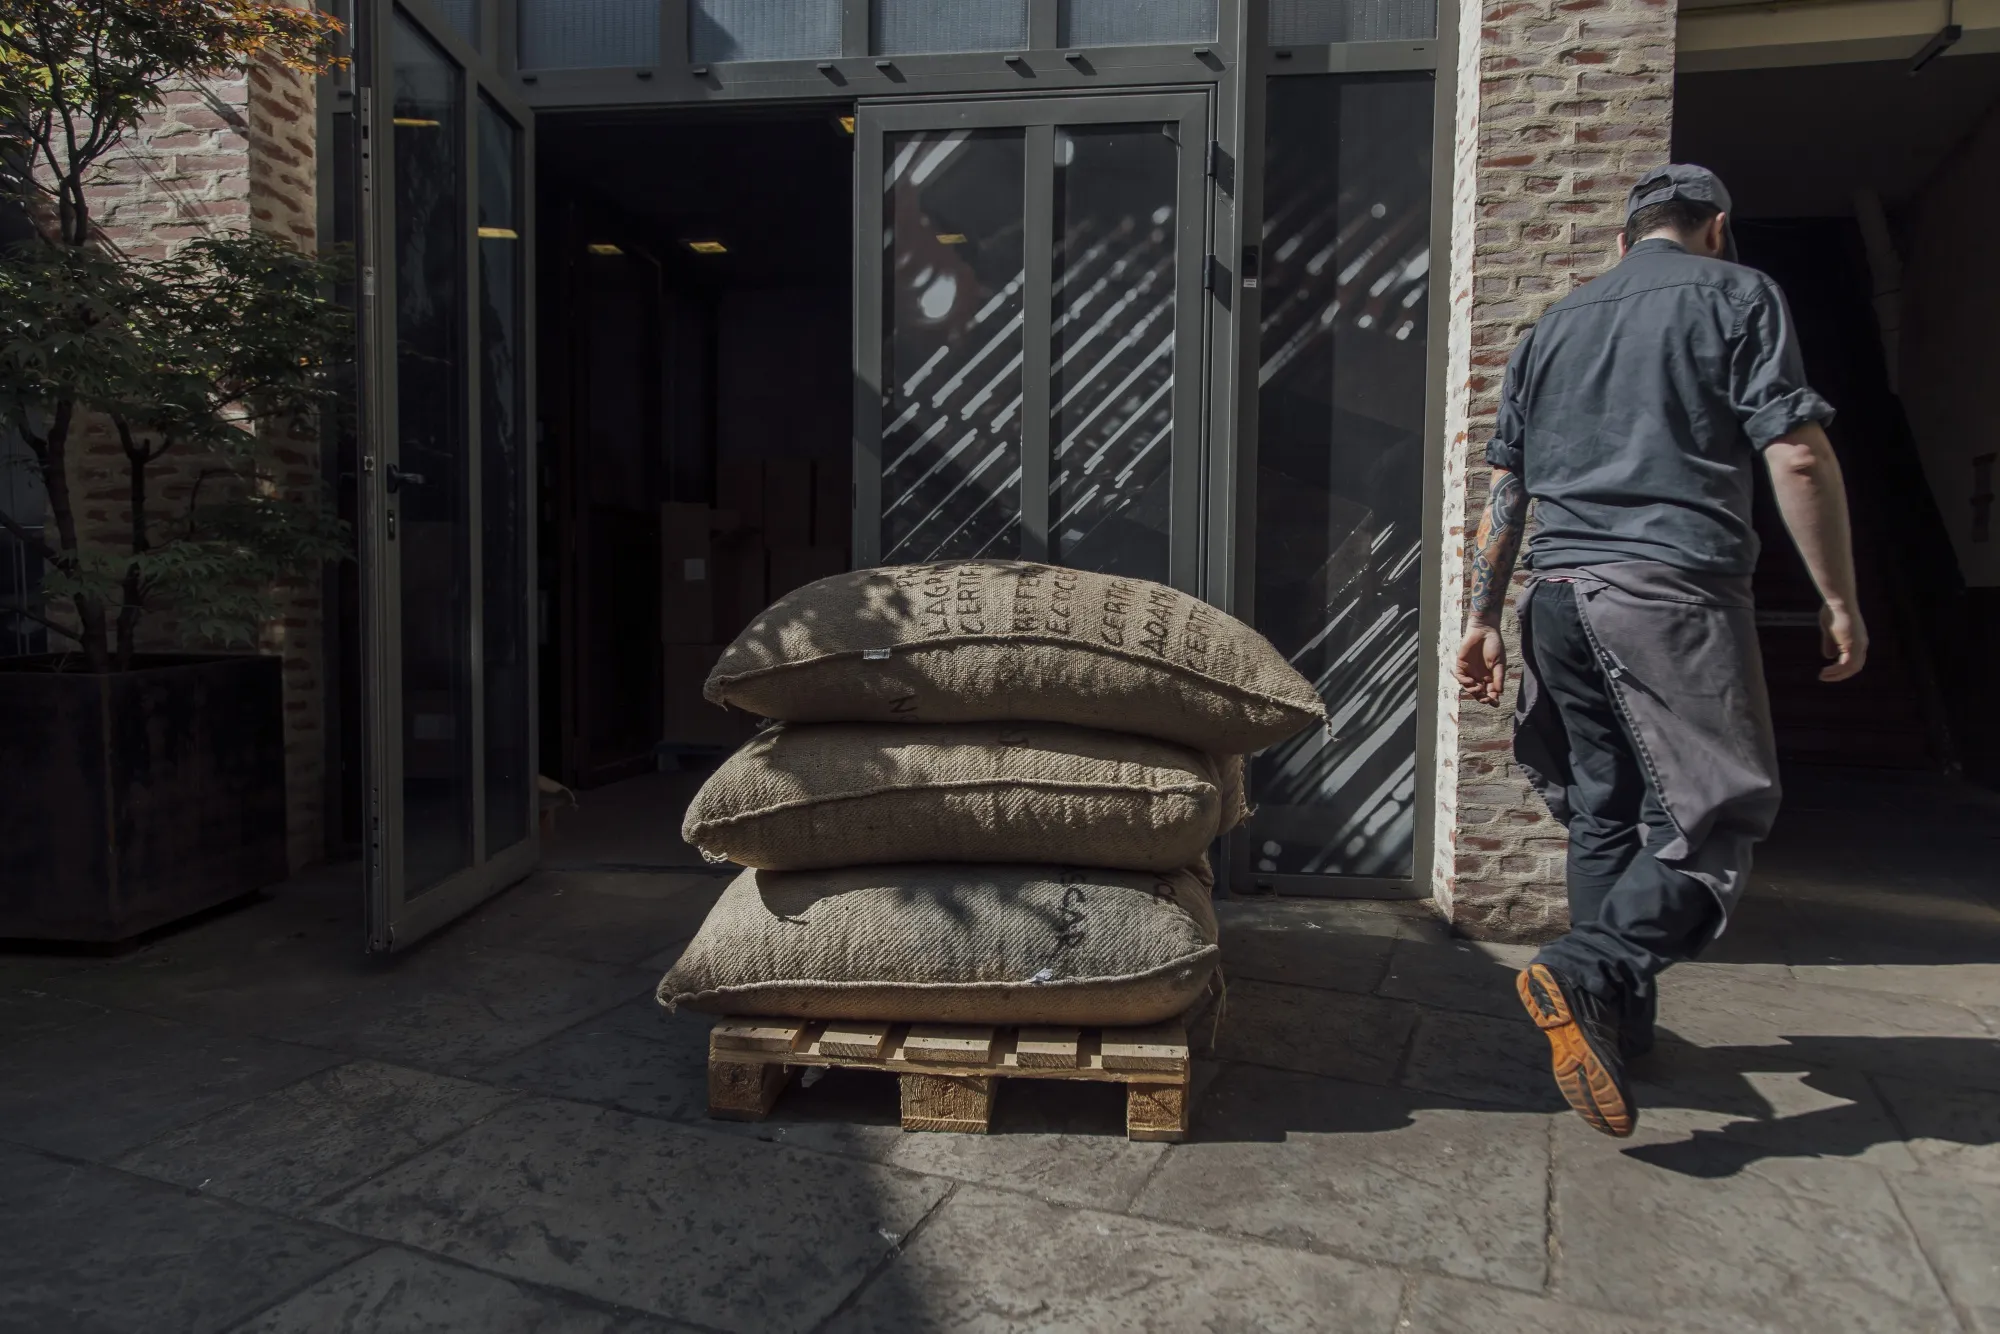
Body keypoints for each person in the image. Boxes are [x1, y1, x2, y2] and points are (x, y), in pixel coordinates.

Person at [1453, 164, 1867, 1137]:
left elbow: (1504, 490)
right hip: (1664, 595)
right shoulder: (1736, 293)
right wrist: (1837, 595)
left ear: (1621, 238)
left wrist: (1480, 612)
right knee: (1719, 808)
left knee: (1605, 808)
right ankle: (1585, 969)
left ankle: (1613, 1023)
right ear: (1716, 228)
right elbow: (1796, 452)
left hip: (1553, 600)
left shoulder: (1553, 325)